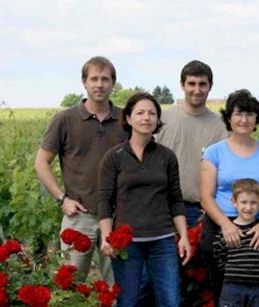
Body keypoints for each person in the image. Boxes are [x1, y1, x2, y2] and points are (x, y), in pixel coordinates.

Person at [34, 56, 125, 284]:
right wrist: (61, 198)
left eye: (105, 79)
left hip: (117, 217)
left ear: (113, 83)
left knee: (119, 288)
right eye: (94, 78)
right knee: (70, 287)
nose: (99, 84)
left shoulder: (126, 120)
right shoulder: (65, 120)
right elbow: (41, 162)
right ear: (84, 82)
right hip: (78, 217)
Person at [98, 92, 192, 307]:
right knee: (128, 301)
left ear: (158, 120)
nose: (146, 118)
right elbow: (105, 200)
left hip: (163, 240)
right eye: (140, 112)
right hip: (127, 242)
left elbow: (175, 199)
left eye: (152, 113)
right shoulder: (114, 157)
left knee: (170, 300)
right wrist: (106, 236)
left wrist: (184, 236)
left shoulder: (166, 156)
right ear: (129, 119)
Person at [199, 89, 259, 302]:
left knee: (258, 290)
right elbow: (206, 196)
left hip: (257, 228)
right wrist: (226, 226)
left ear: (256, 119)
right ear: (229, 118)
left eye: (249, 114)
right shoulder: (214, 152)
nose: (244, 119)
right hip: (221, 226)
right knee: (223, 290)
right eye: (238, 114)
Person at [155, 60, 228, 227]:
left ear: (210, 85)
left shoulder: (222, 127)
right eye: (191, 84)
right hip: (164, 207)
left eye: (202, 84)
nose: (197, 90)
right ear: (182, 85)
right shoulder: (162, 120)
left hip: (203, 209)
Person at [214, 179, 259, 307]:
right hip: (232, 286)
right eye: (243, 202)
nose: (248, 207)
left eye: (253, 202)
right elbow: (219, 256)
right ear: (234, 202)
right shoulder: (226, 233)